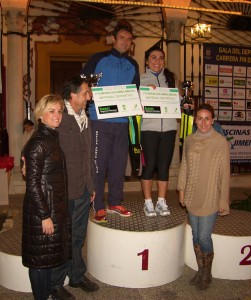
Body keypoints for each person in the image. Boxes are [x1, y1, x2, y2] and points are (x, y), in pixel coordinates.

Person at [80, 20, 140, 223]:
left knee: (118, 164)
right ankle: (97, 205)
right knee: (98, 164)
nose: (125, 42)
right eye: (122, 38)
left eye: (129, 39)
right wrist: (89, 95)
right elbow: (82, 82)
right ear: (113, 39)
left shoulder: (133, 64)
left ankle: (115, 202)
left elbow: (135, 92)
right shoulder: (98, 59)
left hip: (122, 121)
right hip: (100, 120)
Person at [50, 76, 99, 299]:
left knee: (78, 236)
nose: (89, 96)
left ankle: (77, 276)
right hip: (64, 191)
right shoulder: (59, 118)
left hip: (83, 189)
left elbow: (88, 157)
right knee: (63, 237)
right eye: (86, 93)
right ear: (73, 95)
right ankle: (56, 283)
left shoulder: (84, 117)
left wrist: (92, 186)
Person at [22, 94, 71, 300]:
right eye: (51, 110)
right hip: (42, 212)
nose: (57, 115)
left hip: (51, 208)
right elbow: (32, 184)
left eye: (59, 111)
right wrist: (44, 216)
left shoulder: (50, 138)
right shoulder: (39, 143)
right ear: (40, 114)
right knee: (40, 262)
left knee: (47, 258)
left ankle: (47, 294)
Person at [177, 103, 230, 290]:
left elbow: (225, 173)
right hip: (192, 194)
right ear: (195, 120)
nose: (203, 122)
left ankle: (207, 274)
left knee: (204, 236)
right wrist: (181, 191)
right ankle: (200, 271)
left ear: (213, 120)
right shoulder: (190, 140)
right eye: (199, 118)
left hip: (210, 196)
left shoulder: (220, 141)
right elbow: (184, 167)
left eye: (207, 118)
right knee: (195, 236)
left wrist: (223, 200)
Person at [140, 46, 177, 217]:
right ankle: (148, 202)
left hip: (169, 128)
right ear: (147, 61)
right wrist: (145, 95)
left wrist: (183, 102)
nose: (157, 61)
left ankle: (161, 201)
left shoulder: (171, 79)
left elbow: (177, 101)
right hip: (149, 129)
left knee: (164, 166)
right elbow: (135, 105)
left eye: (161, 57)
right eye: (153, 57)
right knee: (149, 166)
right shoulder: (140, 79)